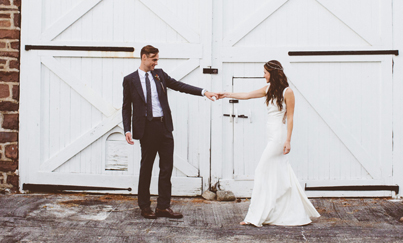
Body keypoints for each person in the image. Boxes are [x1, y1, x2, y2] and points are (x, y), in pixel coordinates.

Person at [217, 60, 320, 227]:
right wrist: (226, 94)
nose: (263, 75)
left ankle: (255, 216)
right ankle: (285, 211)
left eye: (265, 72)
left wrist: (288, 140)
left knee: (261, 171)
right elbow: (247, 95)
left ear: (273, 73)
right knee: (279, 173)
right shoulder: (268, 89)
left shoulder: (288, 92)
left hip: (279, 137)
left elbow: (291, 117)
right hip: (271, 135)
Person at [122, 45, 218, 219]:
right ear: (144, 57)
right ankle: (144, 206)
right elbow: (126, 107)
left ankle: (163, 207)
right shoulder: (130, 80)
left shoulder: (159, 75)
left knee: (166, 168)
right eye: (154, 59)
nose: (156, 63)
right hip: (147, 129)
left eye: (157, 60)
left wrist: (204, 92)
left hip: (164, 127)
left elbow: (180, 85)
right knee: (146, 168)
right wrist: (127, 129)